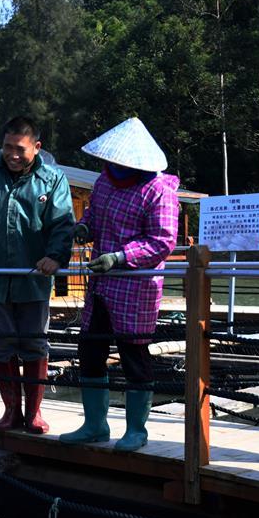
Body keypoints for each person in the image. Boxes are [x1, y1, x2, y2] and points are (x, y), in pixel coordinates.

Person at [60, 117, 179, 451]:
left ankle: (136, 430)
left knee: (133, 353)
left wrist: (121, 257)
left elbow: (162, 242)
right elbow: (94, 217)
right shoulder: (104, 182)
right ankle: (95, 424)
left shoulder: (159, 191)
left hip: (136, 285)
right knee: (90, 349)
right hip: (100, 284)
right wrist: (84, 229)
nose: (111, 164)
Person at [0, 116, 74, 434]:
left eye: (19, 149)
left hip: (33, 278)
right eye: (7, 147)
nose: (12, 154)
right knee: (1, 344)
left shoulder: (52, 179)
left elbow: (62, 223)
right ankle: (10, 411)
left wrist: (56, 256)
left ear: (36, 147)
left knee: (34, 343)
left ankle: (34, 413)